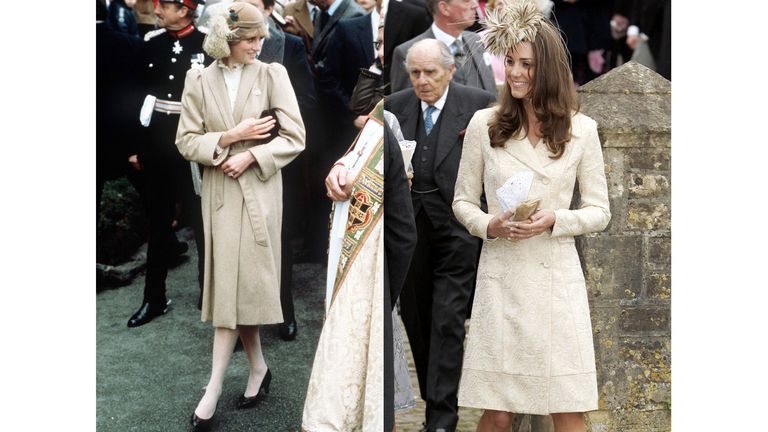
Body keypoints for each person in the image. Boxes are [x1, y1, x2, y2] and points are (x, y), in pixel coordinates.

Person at [451, 2, 611, 431]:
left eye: (527, 65)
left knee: (567, 407)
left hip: (556, 281)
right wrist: (490, 225)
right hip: (502, 279)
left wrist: (555, 219)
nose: (516, 73)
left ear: (551, 70)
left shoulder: (583, 130)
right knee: (497, 413)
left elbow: (600, 211)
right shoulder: (485, 124)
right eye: (510, 62)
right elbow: (462, 201)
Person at [174, 3, 305, 430]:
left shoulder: (272, 75)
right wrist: (229, 138)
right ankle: (258, 368)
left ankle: (211, 390)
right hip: (218, 196)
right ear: (227, 41)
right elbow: (186, 140)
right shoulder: (198, 78)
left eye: (260, 37)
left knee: (238, 283)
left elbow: (295, 137)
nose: (259, 45)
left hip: (259, 194)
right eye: (250, 38)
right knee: (235, 285)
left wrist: (250, 155)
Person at [385, 38, 495, 432]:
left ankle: (441, 420)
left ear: (450, 70)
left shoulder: (479, 102)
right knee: (417, 319)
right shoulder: (395, 107)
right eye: (415, 72)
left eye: (430, 72)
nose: (421, 80)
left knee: (448, 319)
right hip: (409, 231)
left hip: (457, 228)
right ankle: (436, 401)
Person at [301, 100, 387, 431]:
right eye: (377, 44)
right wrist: (339, 166)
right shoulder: (383, 104)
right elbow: (362, 149)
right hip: (358, 232)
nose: (380, 54)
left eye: (384, 45)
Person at [127, 0, 210, 328]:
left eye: (166, 4)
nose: (157, 9)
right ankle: (154, 298)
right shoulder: (151, 44)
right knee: (159, 223)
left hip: (193, 144)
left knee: (203, 223)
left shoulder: (206, 44)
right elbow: (136, 94)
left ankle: (210, 295)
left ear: (185, 9)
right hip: (158, 144)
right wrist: (136, 147)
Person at [389, 0, 497, 97]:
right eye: (466, 1)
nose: (475, 5)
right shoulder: (406, 52)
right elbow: (404, 108)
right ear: (444, 8)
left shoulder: (475, 40)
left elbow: (490, 89)